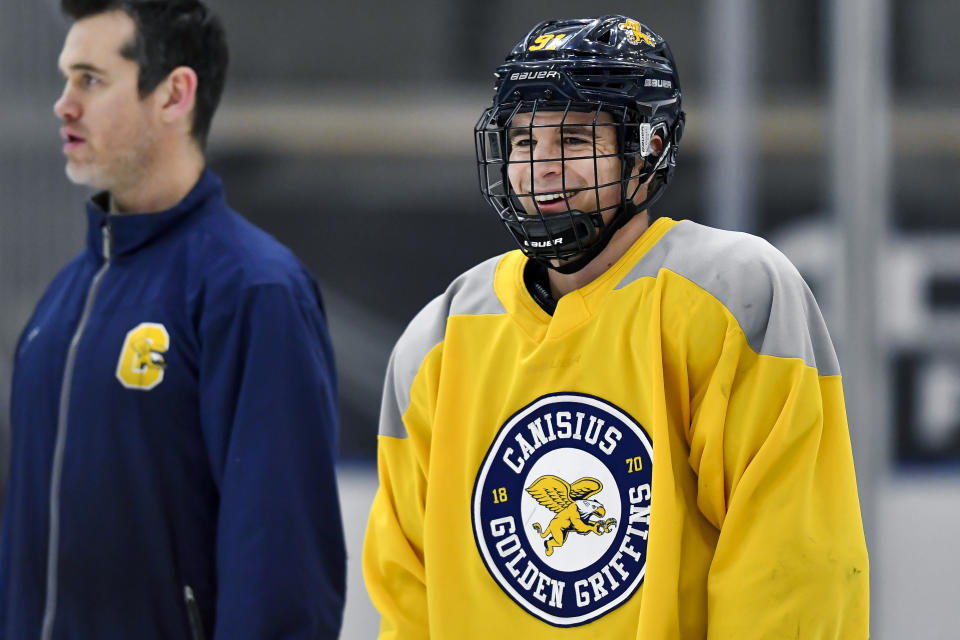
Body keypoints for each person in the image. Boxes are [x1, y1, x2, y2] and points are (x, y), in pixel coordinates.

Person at [363, 14, 869, 638]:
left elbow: (791, 566)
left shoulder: (731, 295)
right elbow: (407, 595)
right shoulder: (439, 337)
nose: (541, 168)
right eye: (524, 142)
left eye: (574, 141)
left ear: (648, 149)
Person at [0, 1, 345, 638]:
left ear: (174, 94)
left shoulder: (254, 290)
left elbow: (282, 566)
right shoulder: (62, 301)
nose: (63, 104)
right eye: (65, 79)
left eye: (90, 79)